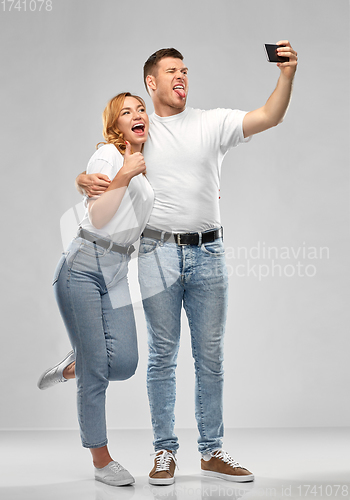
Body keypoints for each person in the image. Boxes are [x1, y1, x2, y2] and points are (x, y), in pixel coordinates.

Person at [76, 42, 298, 485]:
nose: (181, 77)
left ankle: (212, 451)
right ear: (151, 82)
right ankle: (164, 452)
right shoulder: (141, 129)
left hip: (209, 253)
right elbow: (105, 159)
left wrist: (287, 75)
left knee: (211, 357)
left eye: (186, 70)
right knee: (163, 357)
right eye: (171, 70)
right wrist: (80, 178)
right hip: (157, 252)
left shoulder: (211, 123)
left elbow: (269, 116)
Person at [37, 92, 154, 487]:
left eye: (141, 109)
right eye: (127, 112)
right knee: (97, 373)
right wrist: (122, 175)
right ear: (115, 125)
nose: (137, 115)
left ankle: (74, 364)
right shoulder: (108, 156)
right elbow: (100, 218)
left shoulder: (147, 164)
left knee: (123, 364)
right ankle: (101, 460)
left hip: (118, 272)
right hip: (83, 268)